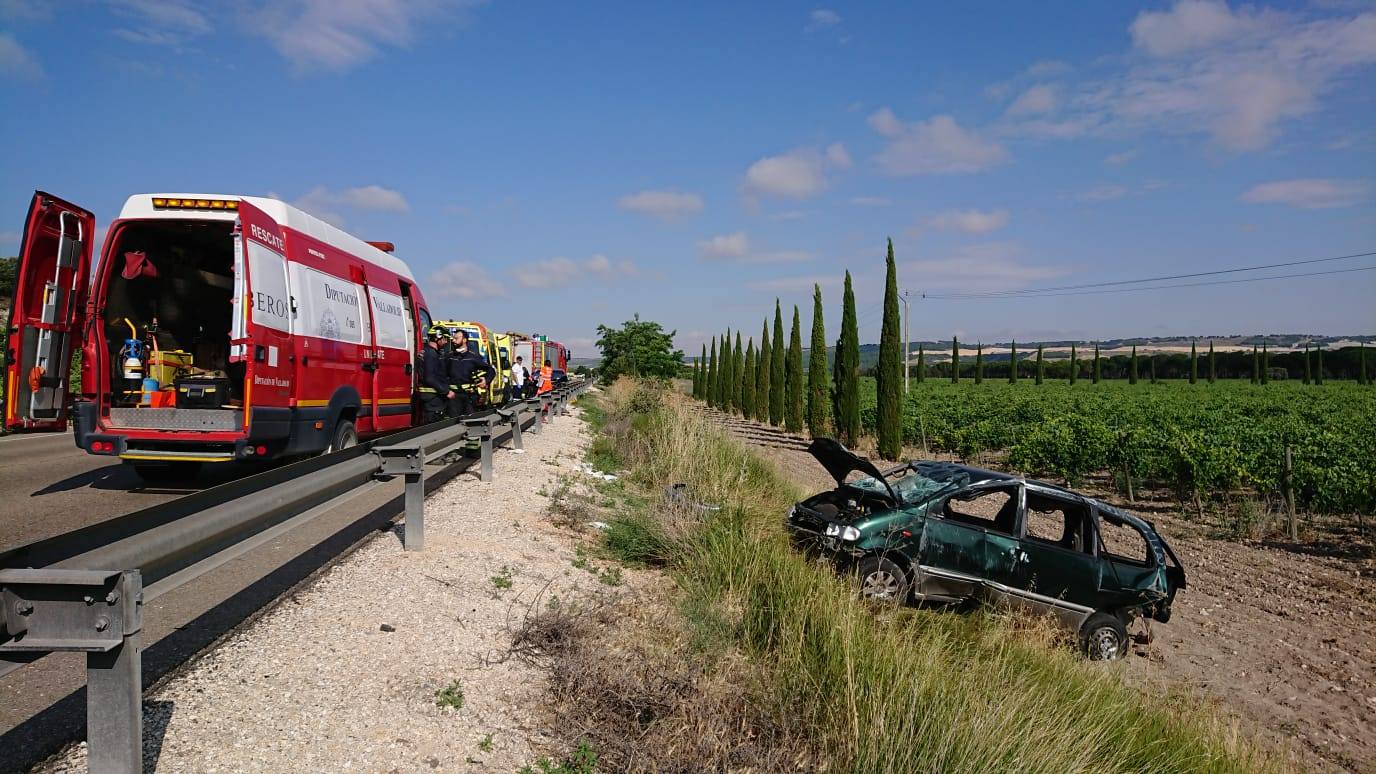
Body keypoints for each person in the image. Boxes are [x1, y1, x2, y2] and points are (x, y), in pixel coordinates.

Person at [446, 329, 497, 418]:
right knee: (453, 424)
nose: (453, 340)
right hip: (453, 397)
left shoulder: (473, 357)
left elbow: (491, 370)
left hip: (469, 397)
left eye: (456, 338)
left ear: (465, 340)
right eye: (453, 338)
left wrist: (486, 380)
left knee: (470, 422)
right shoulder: (449, 357)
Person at [417, 328, 455, 422]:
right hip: (432, 400)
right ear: (436, 338)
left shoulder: (429, 352)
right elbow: (430, 378)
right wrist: (446, 391)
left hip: (430, 399)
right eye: (444, 338)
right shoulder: (431, 354)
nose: (446, 342)